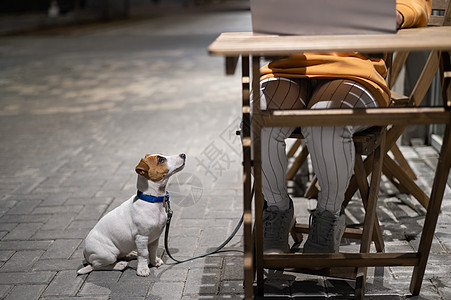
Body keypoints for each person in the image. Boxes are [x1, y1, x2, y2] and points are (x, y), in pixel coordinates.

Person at [257, 0, 432, 254]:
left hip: (353, 68)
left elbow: (415, 3)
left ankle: (329, 217)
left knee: (325, 122)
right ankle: (277, 210)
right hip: (288, 64)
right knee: (260, 119)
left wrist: (394, 14)